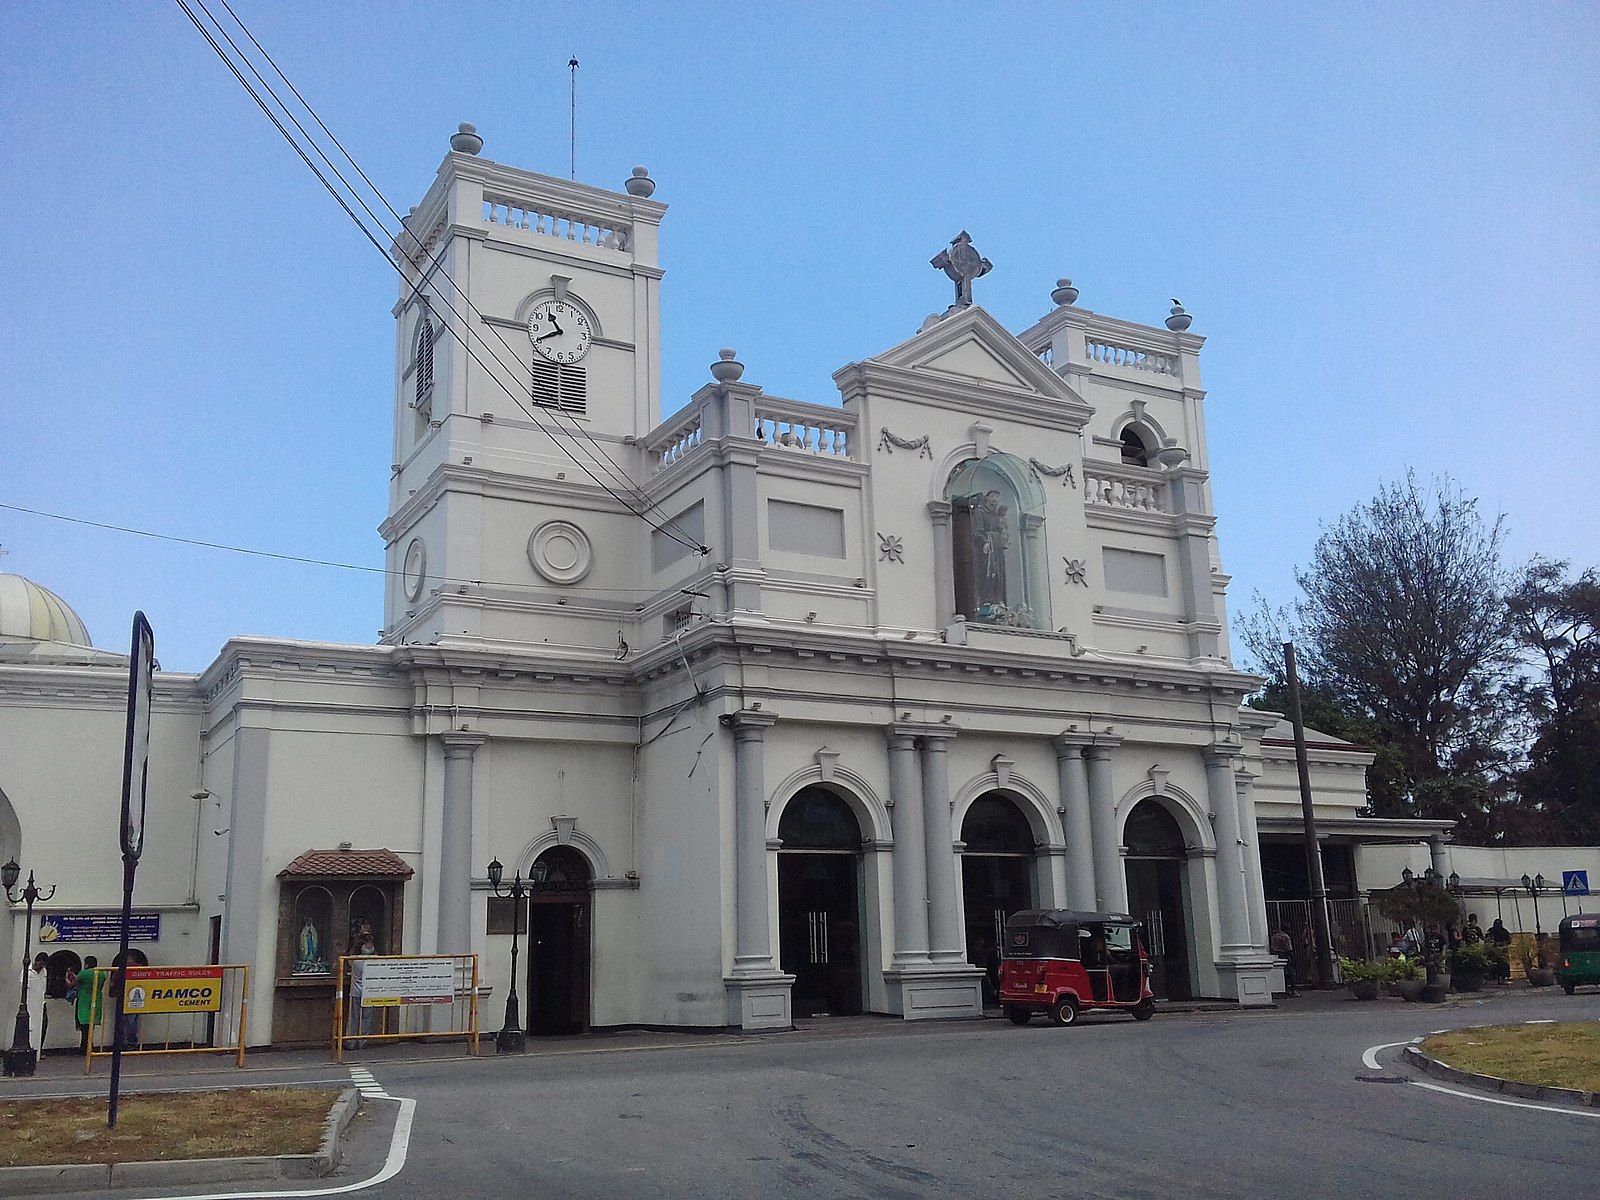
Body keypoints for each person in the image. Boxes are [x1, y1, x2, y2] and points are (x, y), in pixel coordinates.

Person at [72, 955, 103, 1054]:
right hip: (96, 1001)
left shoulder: (84, 973)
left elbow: (72, 983)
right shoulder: (101, 974)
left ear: (87, 964)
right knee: (91, 1026)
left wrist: (68, 976)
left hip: (84, 1002)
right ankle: (89, 1045)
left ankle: (84, 1047)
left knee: (84, 1026)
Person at [24, 952, 48, 1052]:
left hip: (41, 1003)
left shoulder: (44, 972)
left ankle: (39, 1049)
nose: (41, 967)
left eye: (43, 965)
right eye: (40, 965)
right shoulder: (27, 972)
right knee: (30, 1027)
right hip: (30, 1003)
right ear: (36, 962)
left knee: (43, 1026)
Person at [1270, 928, 1297, 996]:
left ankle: (1286, 989)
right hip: (1285, 955)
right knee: (1292, 973)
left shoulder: (1274, 936)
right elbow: (1289, 949)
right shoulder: (1286, 937)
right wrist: (1292, 958)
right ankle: (1293, 991)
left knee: (1283, 974)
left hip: (1276, 956)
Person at [1488, 917, 1513, 983]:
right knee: (1496, 964)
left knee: (1503, 964)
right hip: (1494, 950)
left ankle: (1504, 978)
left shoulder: (1504, 931)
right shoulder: (1491, 931)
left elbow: (1509, 940)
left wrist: (1502, 944)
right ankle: (1496, 977)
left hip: (1503, 950)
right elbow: (1488, 940)